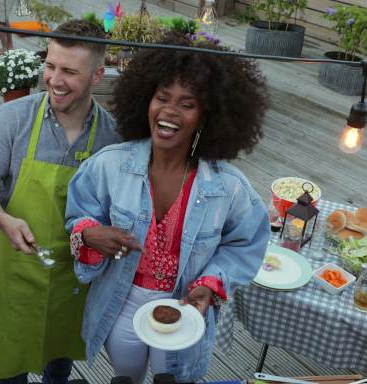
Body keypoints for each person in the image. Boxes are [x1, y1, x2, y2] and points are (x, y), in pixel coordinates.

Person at [64, 35, 271, 383]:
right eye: (162, 98)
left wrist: (211, 283)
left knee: (172, 378)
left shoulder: (229, 187)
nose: (170, 111)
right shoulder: (109, 165)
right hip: (121, 301)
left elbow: (245, 243)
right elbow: (78, 214)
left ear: (206, 116)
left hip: (186, 310)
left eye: (187, 104)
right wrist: (88, 233)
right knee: (126, 375)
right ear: (146, 101)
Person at [0, 20, 121, 384]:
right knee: (11, 364)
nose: (54, 79)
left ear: (98, 75)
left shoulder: (111, 136)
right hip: (15, 269)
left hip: (73, 274)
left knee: (60, 356)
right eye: (50, 65)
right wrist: (5, 220)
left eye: (69, 71)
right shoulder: (13, 116)